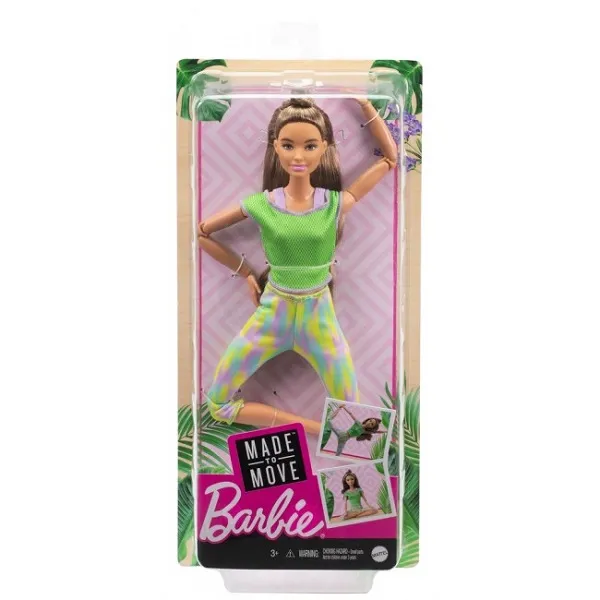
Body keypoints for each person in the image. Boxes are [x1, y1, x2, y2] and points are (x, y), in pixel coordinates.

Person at [197, 97, 398, 435]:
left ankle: (345, 445)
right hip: (272, 314)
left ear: (325, 147)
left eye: (310, 146)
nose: (299, 156)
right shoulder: (262, 205)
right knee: (218, 404)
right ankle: (317, 431)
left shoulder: (333, 204)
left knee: (356, 415)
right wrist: (246, 272)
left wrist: (366, 105)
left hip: (319, 317)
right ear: (275, 146)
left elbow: (390, 158)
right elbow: (203, 232)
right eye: (288, 145)